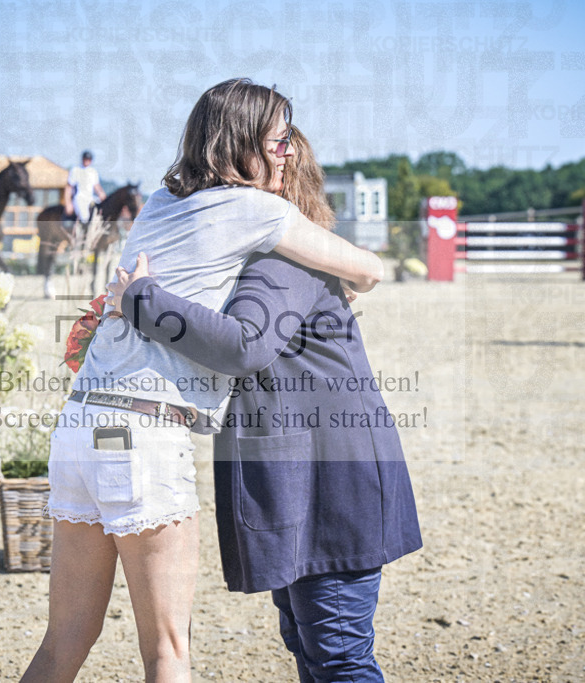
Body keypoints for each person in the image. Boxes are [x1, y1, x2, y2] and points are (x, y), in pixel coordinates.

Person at [20, 79, 384, 683]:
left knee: (63, 643)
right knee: (168, 652)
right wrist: (325, 268)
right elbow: (370, 270)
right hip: (144, 431)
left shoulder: (162, 203)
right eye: (278, 140)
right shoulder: (260, 210)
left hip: (81, 425)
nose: (287, 152)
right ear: (242, 143)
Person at [108, 127, 422, 682]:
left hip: (328, 487)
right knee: (314, 646)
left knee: (337, 654)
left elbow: (243, 345)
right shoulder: (272, 262)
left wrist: (141, 299)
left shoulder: (280, 265)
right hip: (309, 480)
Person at [63, 150, 106, 228]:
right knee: (84, 217)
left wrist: (102, 194)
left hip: (90, 197)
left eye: (88, 159)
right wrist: (68, 203)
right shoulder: (75, 170)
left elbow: (96, 186)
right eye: (85, 159)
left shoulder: (93, 171)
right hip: (79, 198)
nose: (87, 161)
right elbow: (69, 187)